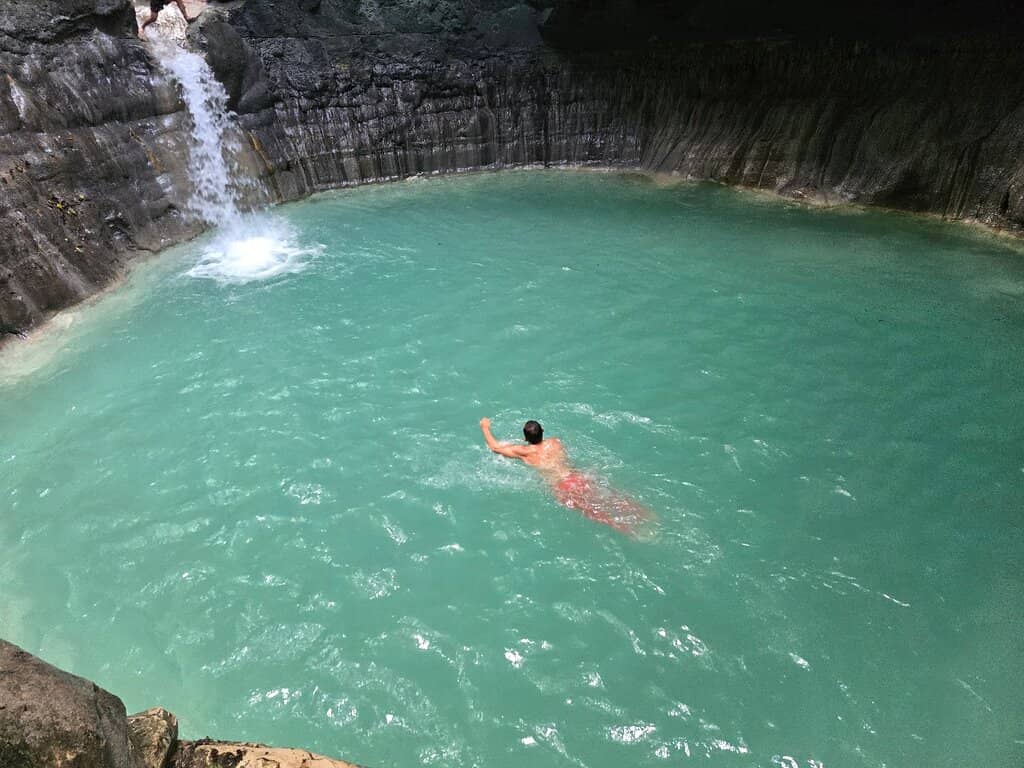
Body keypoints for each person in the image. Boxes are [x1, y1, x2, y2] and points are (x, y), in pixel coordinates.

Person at [479, 417, 652, 535]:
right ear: (543, 431)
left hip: (562, 487)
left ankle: (626, 529)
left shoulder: (524, 452)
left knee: (593, 511)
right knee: (611, 496)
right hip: (577, 477)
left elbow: (495, 447)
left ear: (525, 438)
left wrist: (485, 427)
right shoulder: (555, 442)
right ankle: (644, 513)